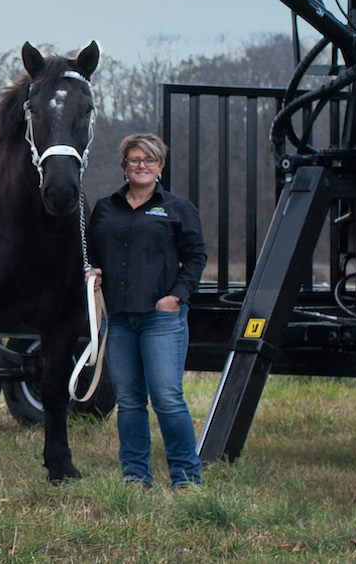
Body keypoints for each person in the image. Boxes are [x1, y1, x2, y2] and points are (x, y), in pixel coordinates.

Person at [87, 133, 207, 490]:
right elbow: (91, 254)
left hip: (161, 318)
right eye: (135, 160)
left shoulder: (178, 208)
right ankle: (135, 476)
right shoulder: (105, 207)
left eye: (149, 160)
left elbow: (197, 257)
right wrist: (92, 272)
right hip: (119, 319)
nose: (142, 166)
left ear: (160, 167)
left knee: (167, 398)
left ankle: (186, 479)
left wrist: (177, 297)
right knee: (129, 401)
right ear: (123, 166)